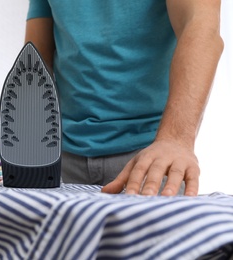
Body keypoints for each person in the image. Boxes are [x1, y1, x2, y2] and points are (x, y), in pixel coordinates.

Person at [24, 1, 224, 196]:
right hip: (59, 155)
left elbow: (200, 27)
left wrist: (176, 139)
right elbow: (35, 59)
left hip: (148, 157)